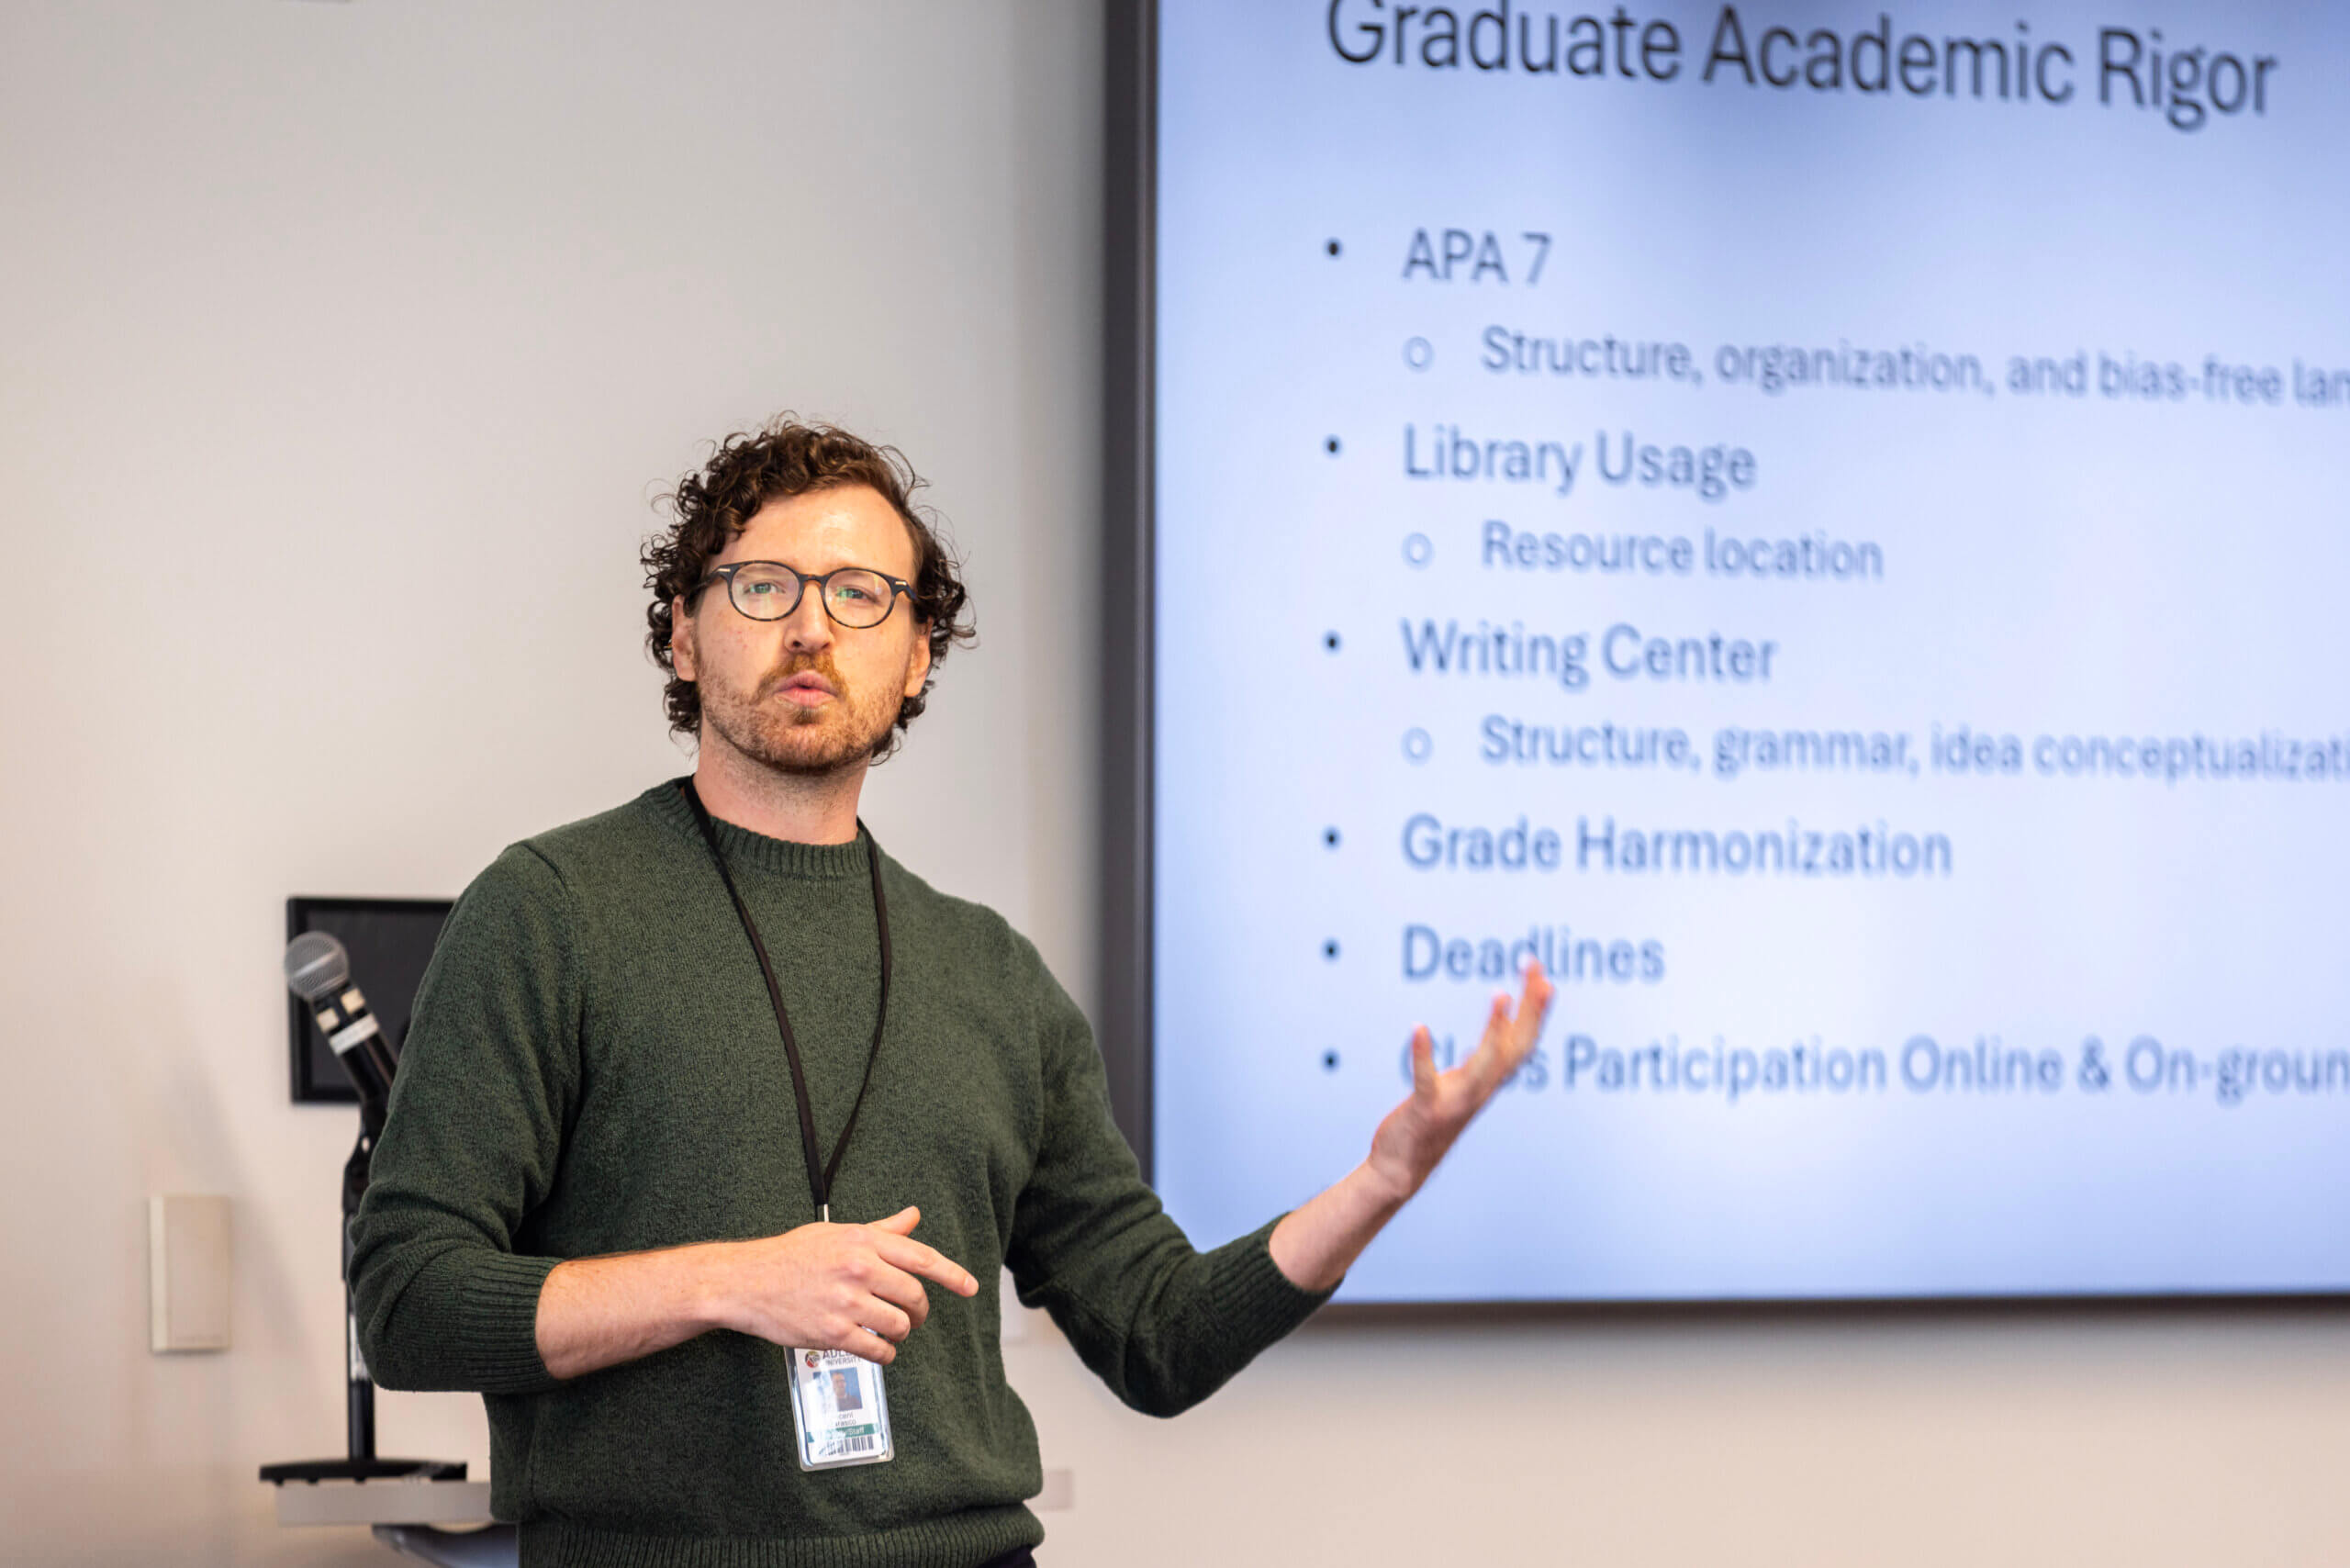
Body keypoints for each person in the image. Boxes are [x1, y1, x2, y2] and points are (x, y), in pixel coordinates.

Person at [350, 418, 1552, 1568]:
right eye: (762, 586)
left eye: (861, 594)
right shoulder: (549, 912)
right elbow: (409, 1303)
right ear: (683, 633)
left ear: (918, 652)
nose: (811, 627)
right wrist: (731, 1281)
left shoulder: (991, 976)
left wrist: (1381, 1183)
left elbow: (1160, 1335)